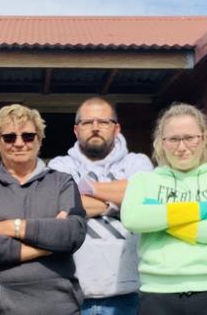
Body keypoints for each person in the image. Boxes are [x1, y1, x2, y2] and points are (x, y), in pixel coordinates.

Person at [0, 104, 87, 315]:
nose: (19, 143)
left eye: (28, 136)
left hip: (58, 305)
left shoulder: (62, 183)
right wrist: (48, 243)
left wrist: (12, 227)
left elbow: (74, 233)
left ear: (39, 140)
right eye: (9, 137)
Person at [121, 103, 207, 315]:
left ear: (203, 138)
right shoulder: (143, 180)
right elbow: (133, 218)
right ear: (161, 142)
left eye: (190, 138)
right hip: (157, 293)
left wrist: (160, 219)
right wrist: (200, 210)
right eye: (173, 139)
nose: (181, 147)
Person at [48, 97, 153, 315]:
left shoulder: (137, 163)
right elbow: (58, 202)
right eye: (87, 122)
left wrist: (87, 190)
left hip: (128, 297)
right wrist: (119, 203)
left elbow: (142, 195)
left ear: (117, 128)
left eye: (103, 122)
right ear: (76, 130)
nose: (95, 128)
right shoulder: (59, 165)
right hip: (70, 297)